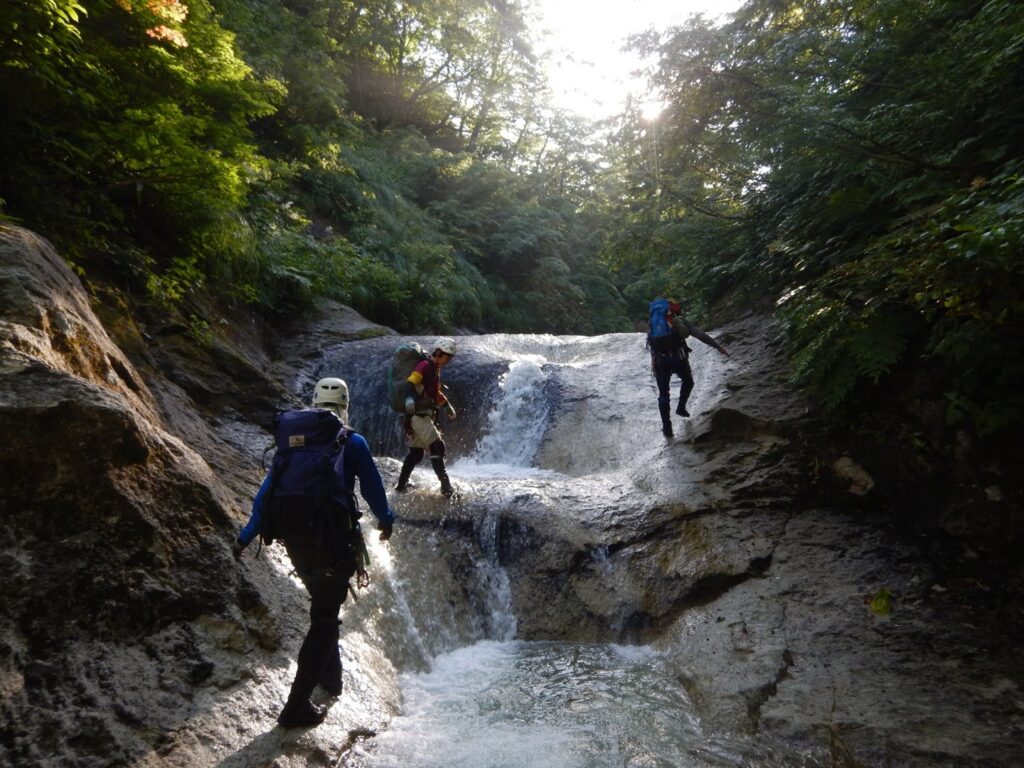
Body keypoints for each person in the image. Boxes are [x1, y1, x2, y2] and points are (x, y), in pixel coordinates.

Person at [231, 377, 396, 728]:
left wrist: (245, 536)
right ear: (345, 406)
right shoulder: (352, 441)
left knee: (323, 608)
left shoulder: (292, 444)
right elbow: (372, 487)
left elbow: (266, 493)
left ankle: (331, 681)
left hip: (295, 541)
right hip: (333, 541)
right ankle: (296, 707)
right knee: (324, 619)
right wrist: (386, 520)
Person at [649, 300, 729, 437]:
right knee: (688, 381)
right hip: (678, 358)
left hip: (660, 360)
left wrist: (653, 362)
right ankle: (681, 407)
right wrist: (718, 346)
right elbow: (700, 335)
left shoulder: (653, 323)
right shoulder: (678, 321)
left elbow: (651, 343)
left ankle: (667, 429)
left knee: (663, 394)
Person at [394, 337, 458, 497]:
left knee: (416, 453)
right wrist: (409, 399)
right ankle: (446, 488)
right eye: (447, 357)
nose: (449, 361)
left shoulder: (434, 369)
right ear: (439, 353)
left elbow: (434, 393)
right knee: (437, 446)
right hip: (418, 416)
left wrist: (446, 405)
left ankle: (401, 486)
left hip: (423, 416)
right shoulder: (425, 365)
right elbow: (411, 382)